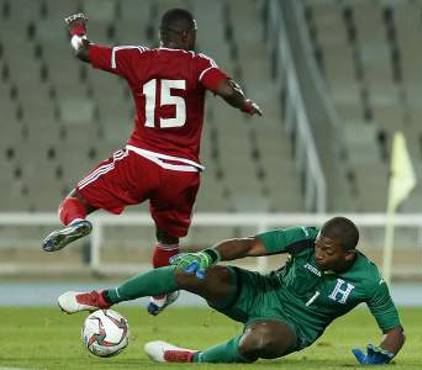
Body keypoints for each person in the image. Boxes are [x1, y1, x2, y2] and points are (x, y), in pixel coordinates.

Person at [42, 9, 262, 315]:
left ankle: (77, 222)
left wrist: (77, 30)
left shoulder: (137, 57)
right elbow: (227, 89)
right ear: (186, 35)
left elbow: (84, 52)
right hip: (183, 173)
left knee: (77, 199)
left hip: (142, 160)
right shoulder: (199, 64)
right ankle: (162, 293)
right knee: (168, 240)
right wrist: (245, 104)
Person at [58, 216, 405, 365]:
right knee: (191, 272)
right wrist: (208, 254)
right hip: (260, 291)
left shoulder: (368, 279)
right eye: (317, 246)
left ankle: (191, 358)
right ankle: (103, 298)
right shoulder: (307, 237)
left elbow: (394, 331)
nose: (318, 253)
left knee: (258, 341)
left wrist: (384, 356)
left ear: (347, 254)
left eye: (327, 252)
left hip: (295, 328)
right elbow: (251, 245)